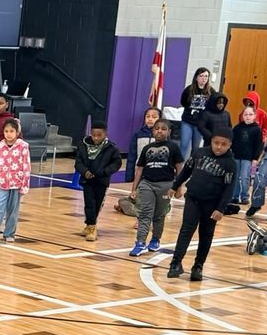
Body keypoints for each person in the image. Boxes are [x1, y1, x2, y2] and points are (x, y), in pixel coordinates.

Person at [166, 127, 235, 281]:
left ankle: (198, 266)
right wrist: (174, 186)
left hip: (212, 205)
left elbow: (229, 188)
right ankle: (176, 263)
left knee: (206, 235)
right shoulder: (199, 153)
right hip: (193, 199)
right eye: (216, 143)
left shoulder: (230, 164)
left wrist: (221, 209)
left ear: (230, 145)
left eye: (223, 144)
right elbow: (185, 171)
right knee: (186, 230)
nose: (219, 147)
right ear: (211, 141)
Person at [129, 118, 184, 256]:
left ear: (169, 132)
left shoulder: (173, 147)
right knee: (145, 213)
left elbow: (179, 168)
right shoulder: (147, 148)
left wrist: (179, 187)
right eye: (156, 128)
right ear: (152, 131)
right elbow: (140, 169)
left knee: (159, 215)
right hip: (147, 184)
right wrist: (134, 189)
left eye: (163, 129)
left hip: (165, 185)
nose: (159, 131)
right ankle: (140, 242)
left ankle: (155, 240)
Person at [0, 118, 31, 247]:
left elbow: (26, 166)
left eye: (12, 131)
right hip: (1, 183)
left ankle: (9, 233)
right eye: (6, 131)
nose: (9, 134)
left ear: (17, 132)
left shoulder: (23, 146)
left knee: (13, 210)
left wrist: (25, 185)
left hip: (17, 183)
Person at [74, 122, 121, 241]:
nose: (96, 138)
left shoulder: (112, 148)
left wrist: (105, 171)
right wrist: (84, 172)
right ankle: (92, 226)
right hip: (87, 180)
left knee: (97, 204)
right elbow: (78, 162)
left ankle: (90, 224)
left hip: (101, 181)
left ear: (105, 134)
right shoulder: (83, 145)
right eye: (93, 135)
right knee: (89, 203)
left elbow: (117, 163)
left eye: (99, 135)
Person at [179, 67, 213, 158]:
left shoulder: (211, 91)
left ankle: (191, 166)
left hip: (201, 123)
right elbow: (183, 102)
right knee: (184, 144)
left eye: (206, 76)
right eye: (201, 76)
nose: (204, 78)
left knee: (196, 147)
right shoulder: (189, 89)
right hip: (188, 121)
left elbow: (212, 106)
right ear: (196, 78)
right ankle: (180, 166)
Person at [232, 106, 262, 205]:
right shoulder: (237, 128)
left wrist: (255, 158)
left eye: (250, 114)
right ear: (242, 116)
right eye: (245, 114)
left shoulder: (257, 130)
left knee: (245, 177)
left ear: (254, 116)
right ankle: (235, 196)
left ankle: (244, 196)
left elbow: (258, 145)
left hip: (248, 158)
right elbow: (232, 142)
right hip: (236, 157)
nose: (248, 117)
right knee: (235, 177)